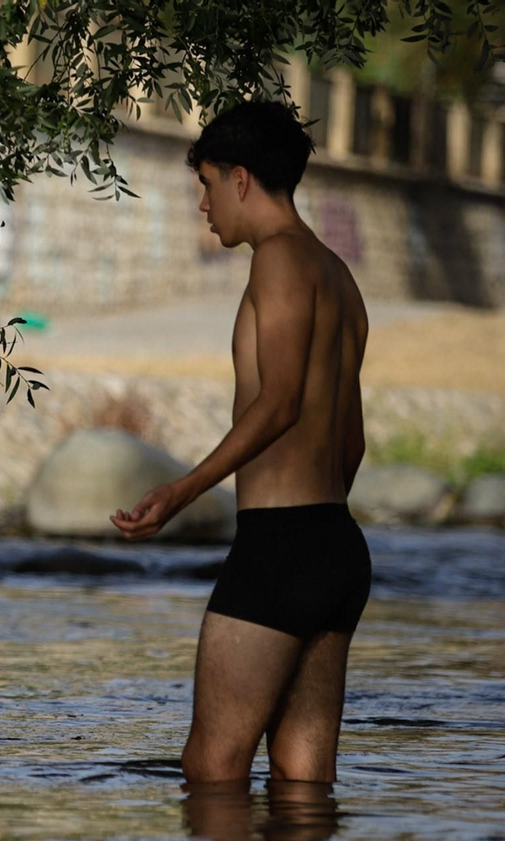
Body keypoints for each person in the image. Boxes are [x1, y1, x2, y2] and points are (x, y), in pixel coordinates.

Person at [111, 100, 372, 785]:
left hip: (280, 547)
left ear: (241, 179)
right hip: (336, 545)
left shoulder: (279, 262)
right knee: (303, 780)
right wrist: (318, 530)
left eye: (205, 183)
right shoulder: (339, 277)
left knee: (213, 768)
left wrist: (180, 490)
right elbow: (352, 440)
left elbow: (280, 401)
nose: (203, 205)